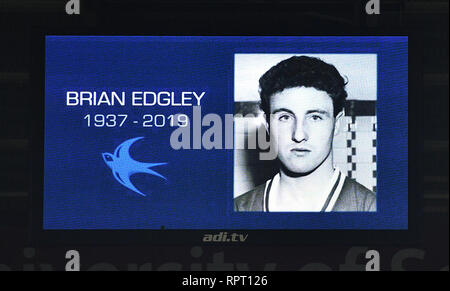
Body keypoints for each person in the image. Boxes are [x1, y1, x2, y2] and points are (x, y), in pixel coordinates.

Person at [234, 56, 376, 212]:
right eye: (285, 117)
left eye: (315, 117)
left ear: (337, 124)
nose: (299, 135)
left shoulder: (372, 209)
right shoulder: (237, 209)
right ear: (268, 125)